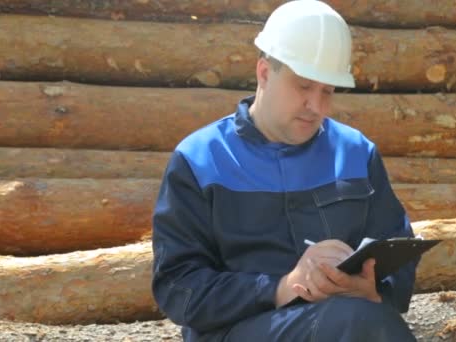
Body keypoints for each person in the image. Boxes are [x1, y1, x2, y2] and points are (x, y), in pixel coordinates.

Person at [152, 1, 418, 341]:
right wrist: (283, 287)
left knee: (358, 317)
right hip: (236, 331)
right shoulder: (200, 160)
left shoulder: (355, 152)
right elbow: (178, 287)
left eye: (328, 91)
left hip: (347, 321)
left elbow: (396, 245)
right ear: (264, 72)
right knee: (356, 321)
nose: (317, 106)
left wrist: (373, 290)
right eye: (304, 86)